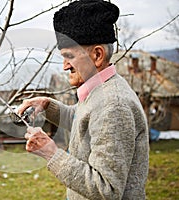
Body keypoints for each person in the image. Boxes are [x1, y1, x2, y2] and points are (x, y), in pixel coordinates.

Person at [17, 0, 149, 199]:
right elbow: (86, 123)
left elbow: (106, 190)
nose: (64, 66)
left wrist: (51, 153)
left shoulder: (114, 105)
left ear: (97, 55)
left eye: (69, 56)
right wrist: (47, 105)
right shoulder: (100, 91)